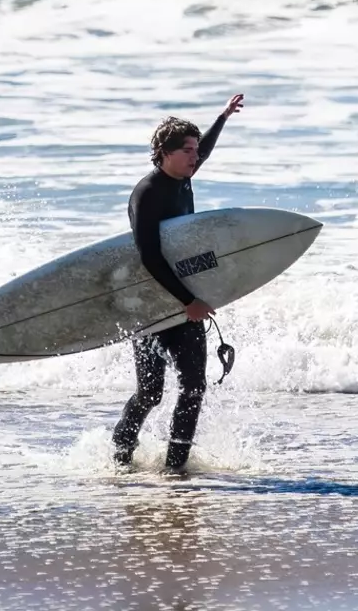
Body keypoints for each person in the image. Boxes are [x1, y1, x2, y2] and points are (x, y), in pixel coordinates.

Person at [112, 93, 247, 474]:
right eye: (187, 151)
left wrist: (223, 116)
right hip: (154, 303)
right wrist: (189, 301)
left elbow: (205, 148)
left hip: (186, 304)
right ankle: (121, 449)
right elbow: (149, 256)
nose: (195, 157)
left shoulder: (183, 177)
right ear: (165, 153)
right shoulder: (148, 194)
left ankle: (175, 466)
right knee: (151, 392)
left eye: (195, 151)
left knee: (193, 388)